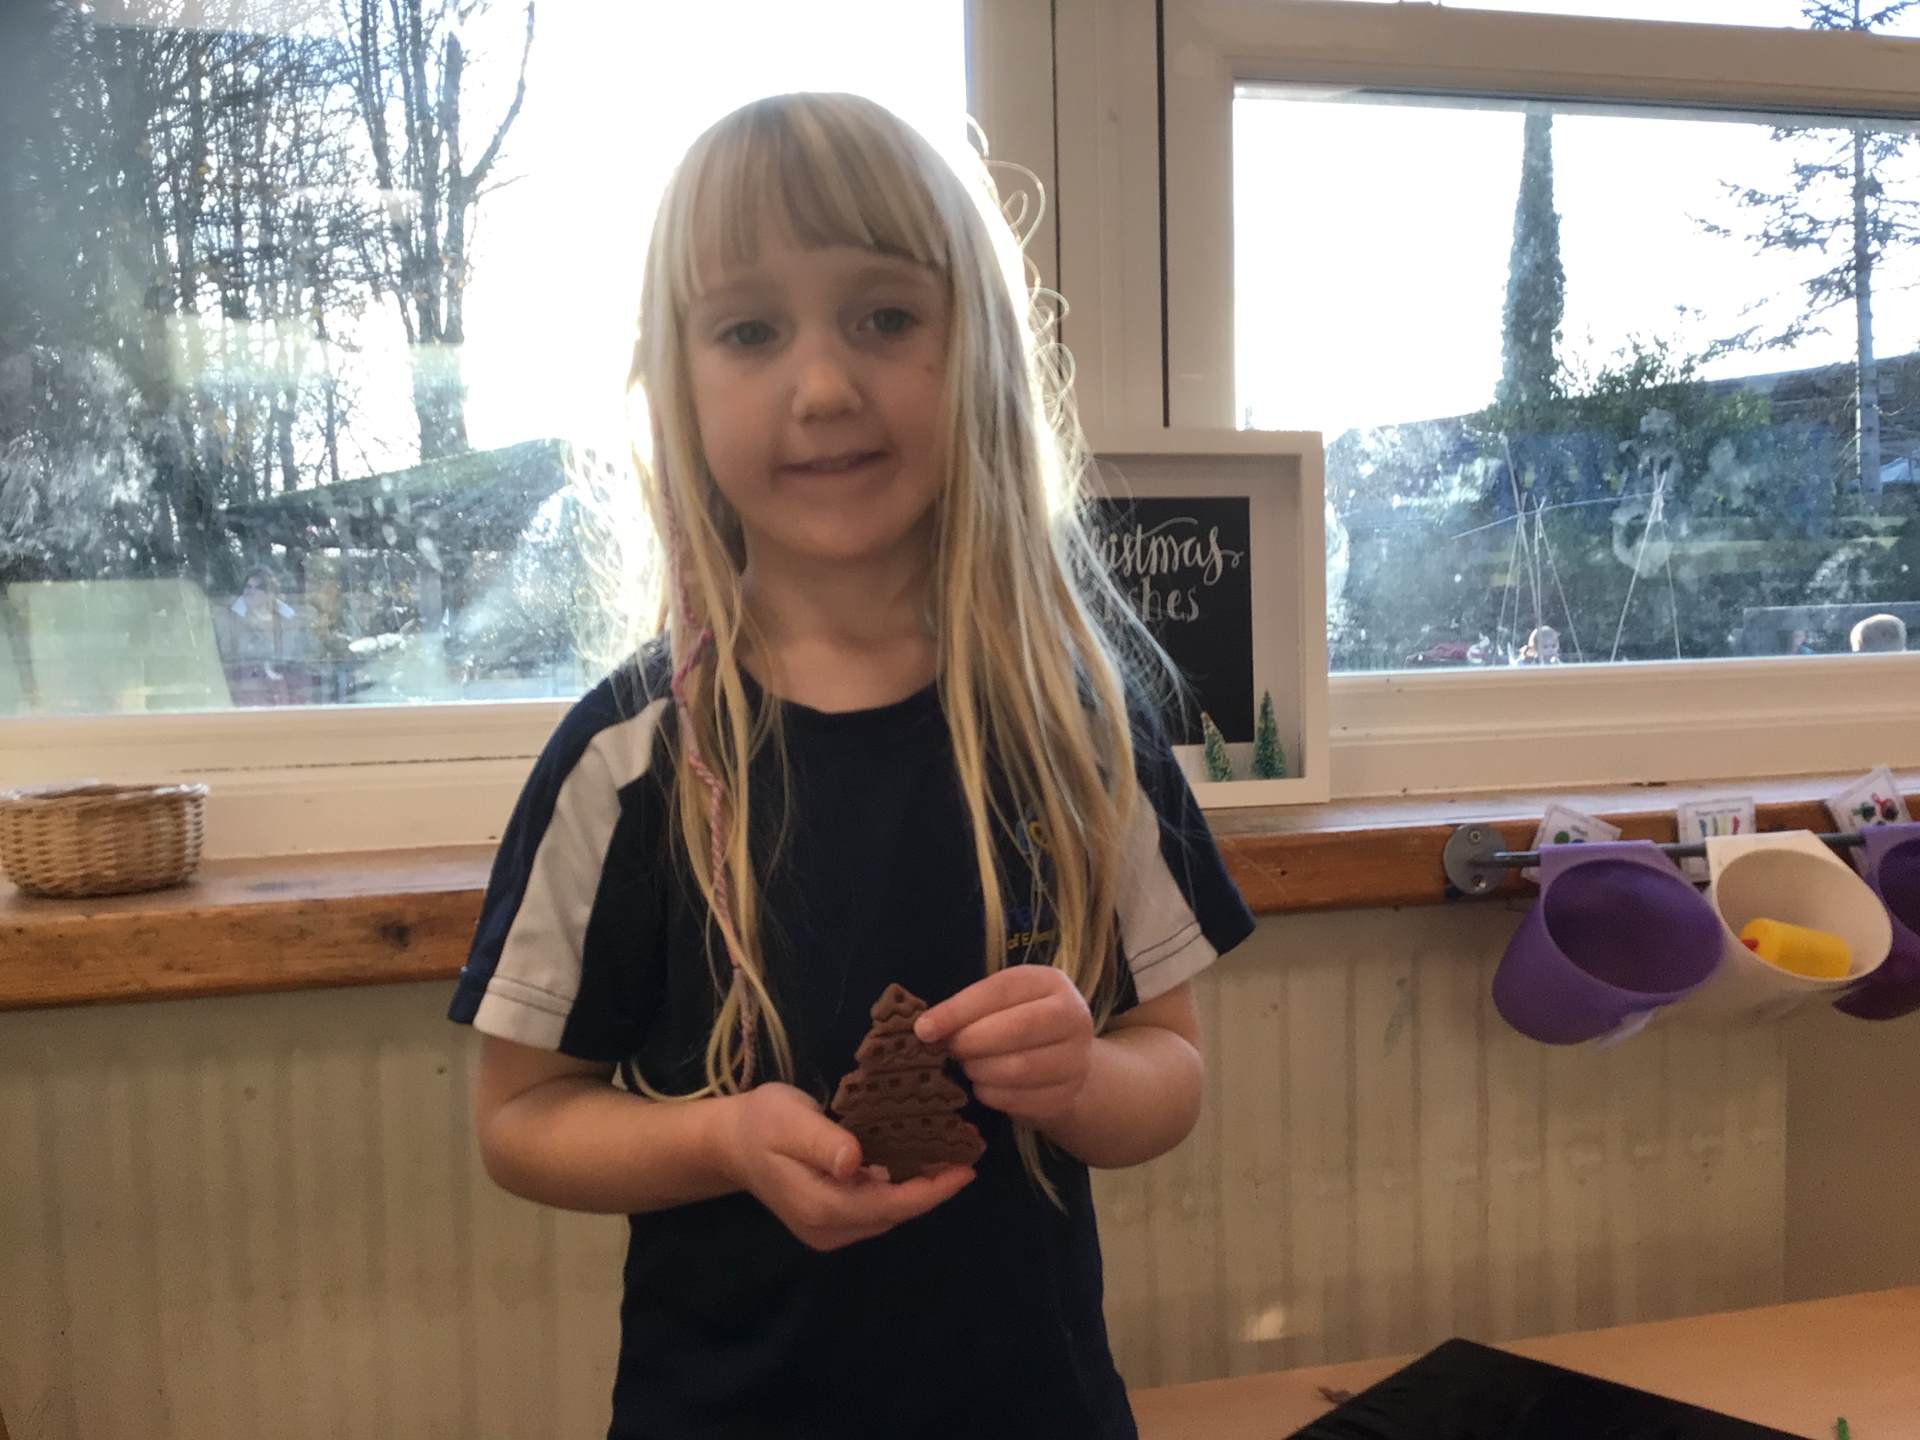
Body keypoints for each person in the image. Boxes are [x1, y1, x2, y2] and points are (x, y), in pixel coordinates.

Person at [447, 93, 1256, 1439]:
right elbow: (520, 1122)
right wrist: (720, 1140)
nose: (824, 387)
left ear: (976, 352)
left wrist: (1083, 1082)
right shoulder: (628, 761)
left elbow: (1168, 1068)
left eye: (884, 317)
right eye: (750, 331)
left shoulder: (1081, 731)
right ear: (676, 383)